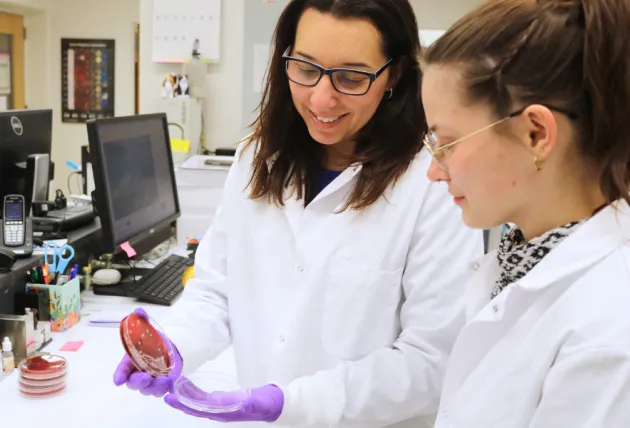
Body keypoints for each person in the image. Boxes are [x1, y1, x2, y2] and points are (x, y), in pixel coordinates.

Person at [114, 0, 482, 427]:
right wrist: (175, 344)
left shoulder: (433, 183)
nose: (321, 98)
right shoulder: (256, 157)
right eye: (306, 69)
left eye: (351, 77)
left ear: (394, 75)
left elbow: (431, 361)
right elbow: (215, 289)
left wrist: (295, 403)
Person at [420, 0, 630, 426]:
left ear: (536, 134)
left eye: (447, 144)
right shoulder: (521, 266)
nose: (432, 171)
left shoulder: (607, 331)